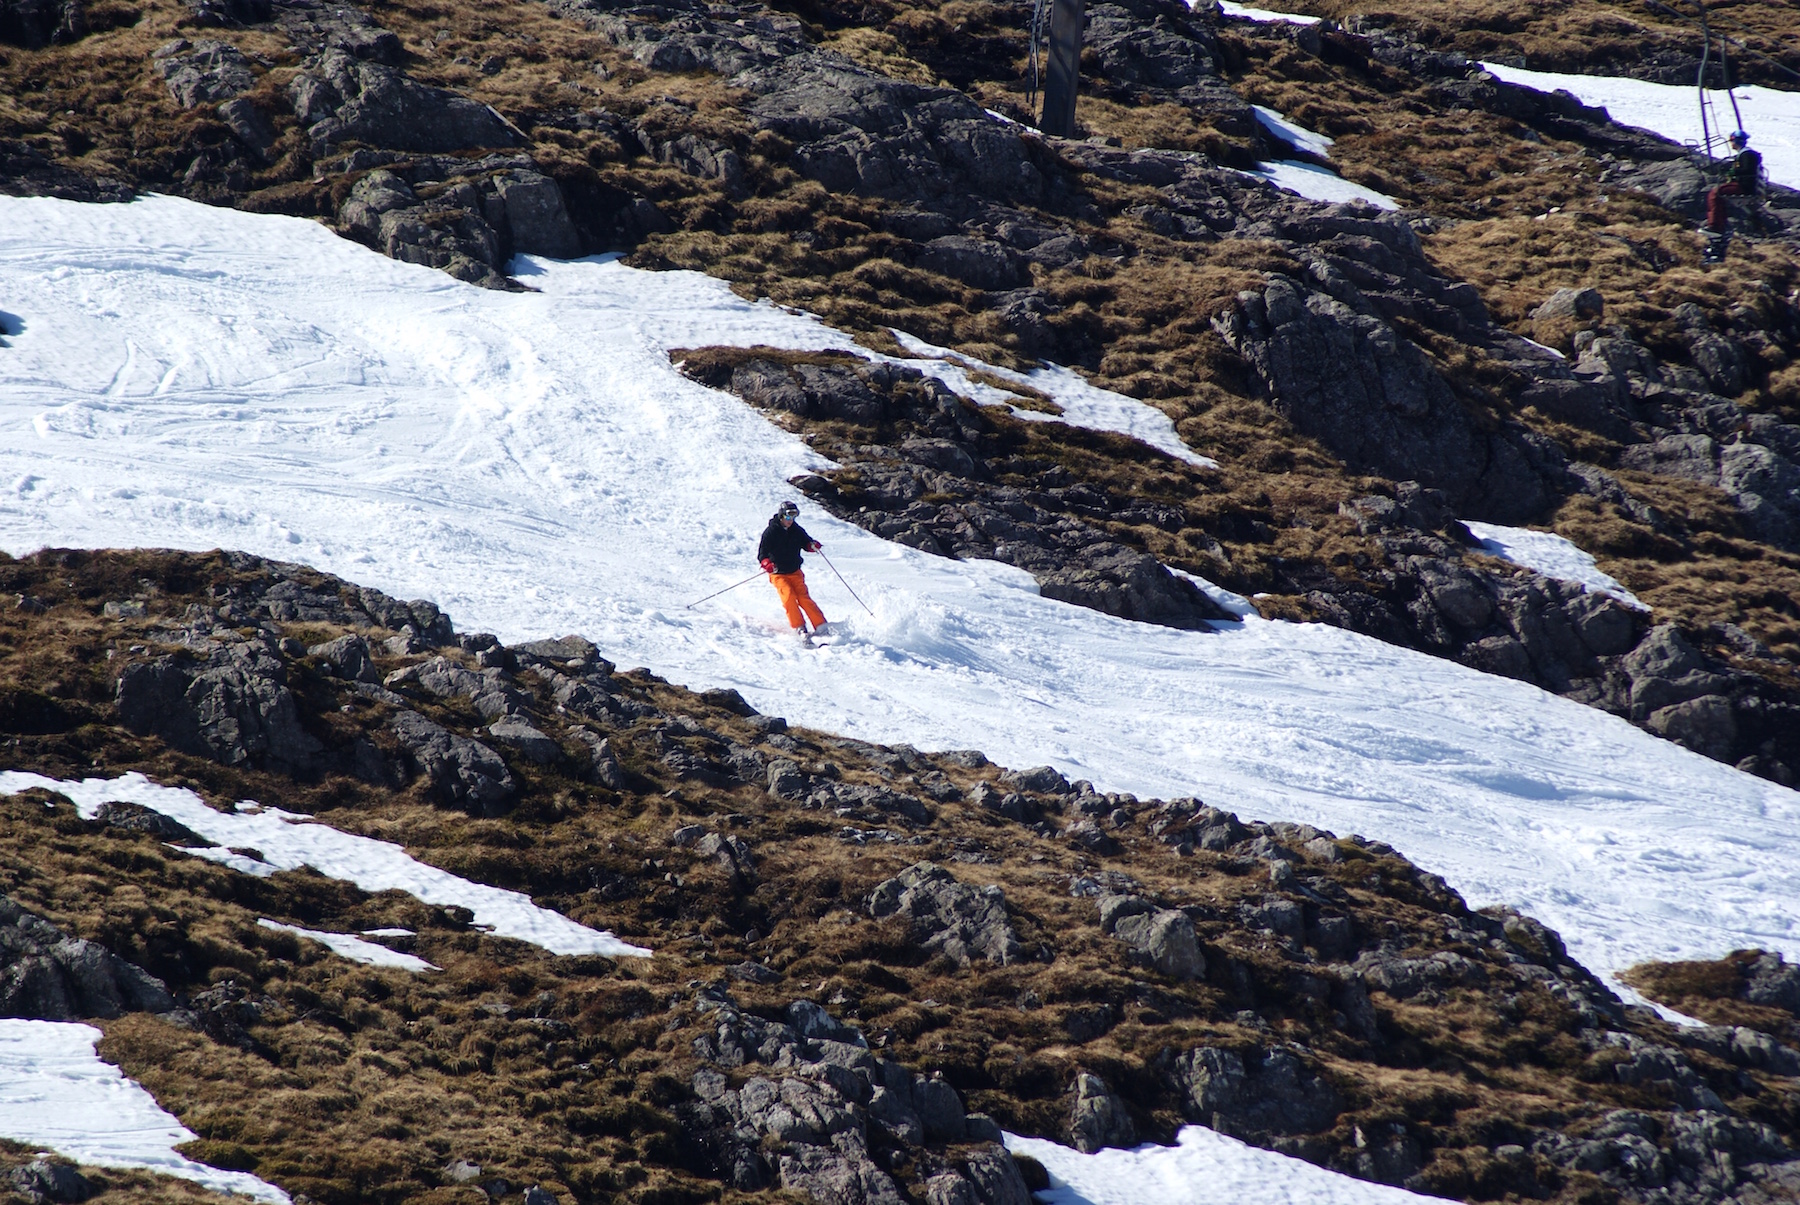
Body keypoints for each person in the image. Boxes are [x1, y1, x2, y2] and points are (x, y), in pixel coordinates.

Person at [757, 500, 829, 639]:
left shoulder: (796, 530)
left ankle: (821, 626)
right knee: (789, 597)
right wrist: (767, 563)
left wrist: (812, 546)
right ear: (781, 516)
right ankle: (799, 627)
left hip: (795, 572)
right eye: (788, 516)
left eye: (794, 516)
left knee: (804, 598)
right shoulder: (771, 532)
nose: (791, 520)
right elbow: (762, 554)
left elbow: (806, 542)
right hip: (778, 573)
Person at [1704, 131, 1762, 262]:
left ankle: (1715, 225)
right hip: (1746, 185)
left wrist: (1733, 171)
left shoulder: (1747, 154)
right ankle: (1719, 224)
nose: (1731, 144)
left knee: (1716, 193)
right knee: (1719, 196)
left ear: (1736, 141)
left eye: (1732, 141)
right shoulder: (1746, 154)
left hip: (1744, 186)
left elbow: (1747, 170)